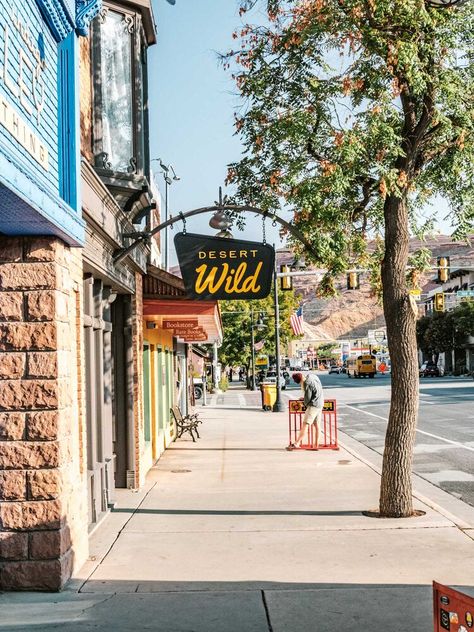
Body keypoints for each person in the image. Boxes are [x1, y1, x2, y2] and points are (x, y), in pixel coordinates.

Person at [288, 371, 324, 450]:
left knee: (305, 424)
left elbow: (308, 397)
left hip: (313, 405)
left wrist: (304, 403)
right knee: (317, 426)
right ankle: (316, 445)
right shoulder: (312, 376)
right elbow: (315, 391)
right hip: (320, 403)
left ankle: (297, 443)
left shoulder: (306, 383)